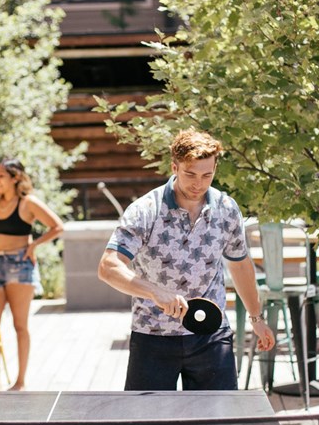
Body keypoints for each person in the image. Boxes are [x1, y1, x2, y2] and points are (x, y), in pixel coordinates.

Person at [98, 129, 276, 390]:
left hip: (211, 335)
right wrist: (155, 292)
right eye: (190, 174)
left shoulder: (226, 209)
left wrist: (256, 318)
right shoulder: (145, 210)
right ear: (174, 167)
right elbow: (108, 266)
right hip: (152, 336)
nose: (198, 183)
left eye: (207, 175)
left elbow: (239, 264)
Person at [0, 158, 65, 390]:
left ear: (15, 178)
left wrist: (33, 245)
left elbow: (57, 226)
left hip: (19, 265)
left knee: (19, 325)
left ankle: (20, 381)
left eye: (1, 176)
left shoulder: (28, 203)